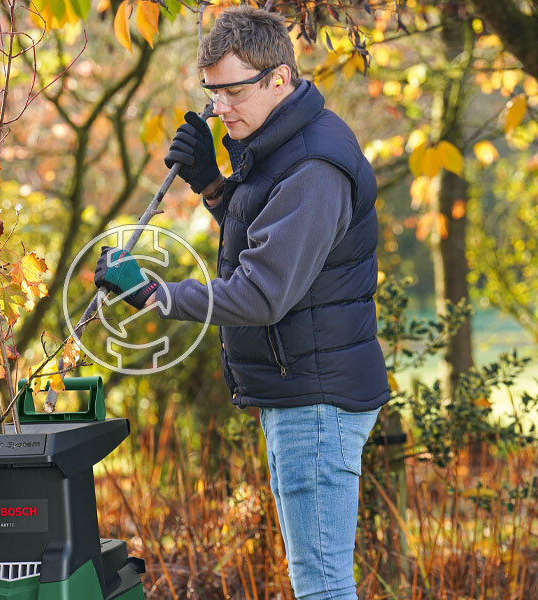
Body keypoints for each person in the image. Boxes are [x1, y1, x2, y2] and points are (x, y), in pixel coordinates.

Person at [94, 6, 389, 599]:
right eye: (212, 94)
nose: (220, 109)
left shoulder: (312, 164)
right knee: (318, 580)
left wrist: (155, 294)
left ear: (279, 79)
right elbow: (267, 235)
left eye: (233, 91)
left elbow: (262, 292)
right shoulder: (279, 147)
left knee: (324, 585)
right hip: (302, 392)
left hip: (319, 397)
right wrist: (211, 182)